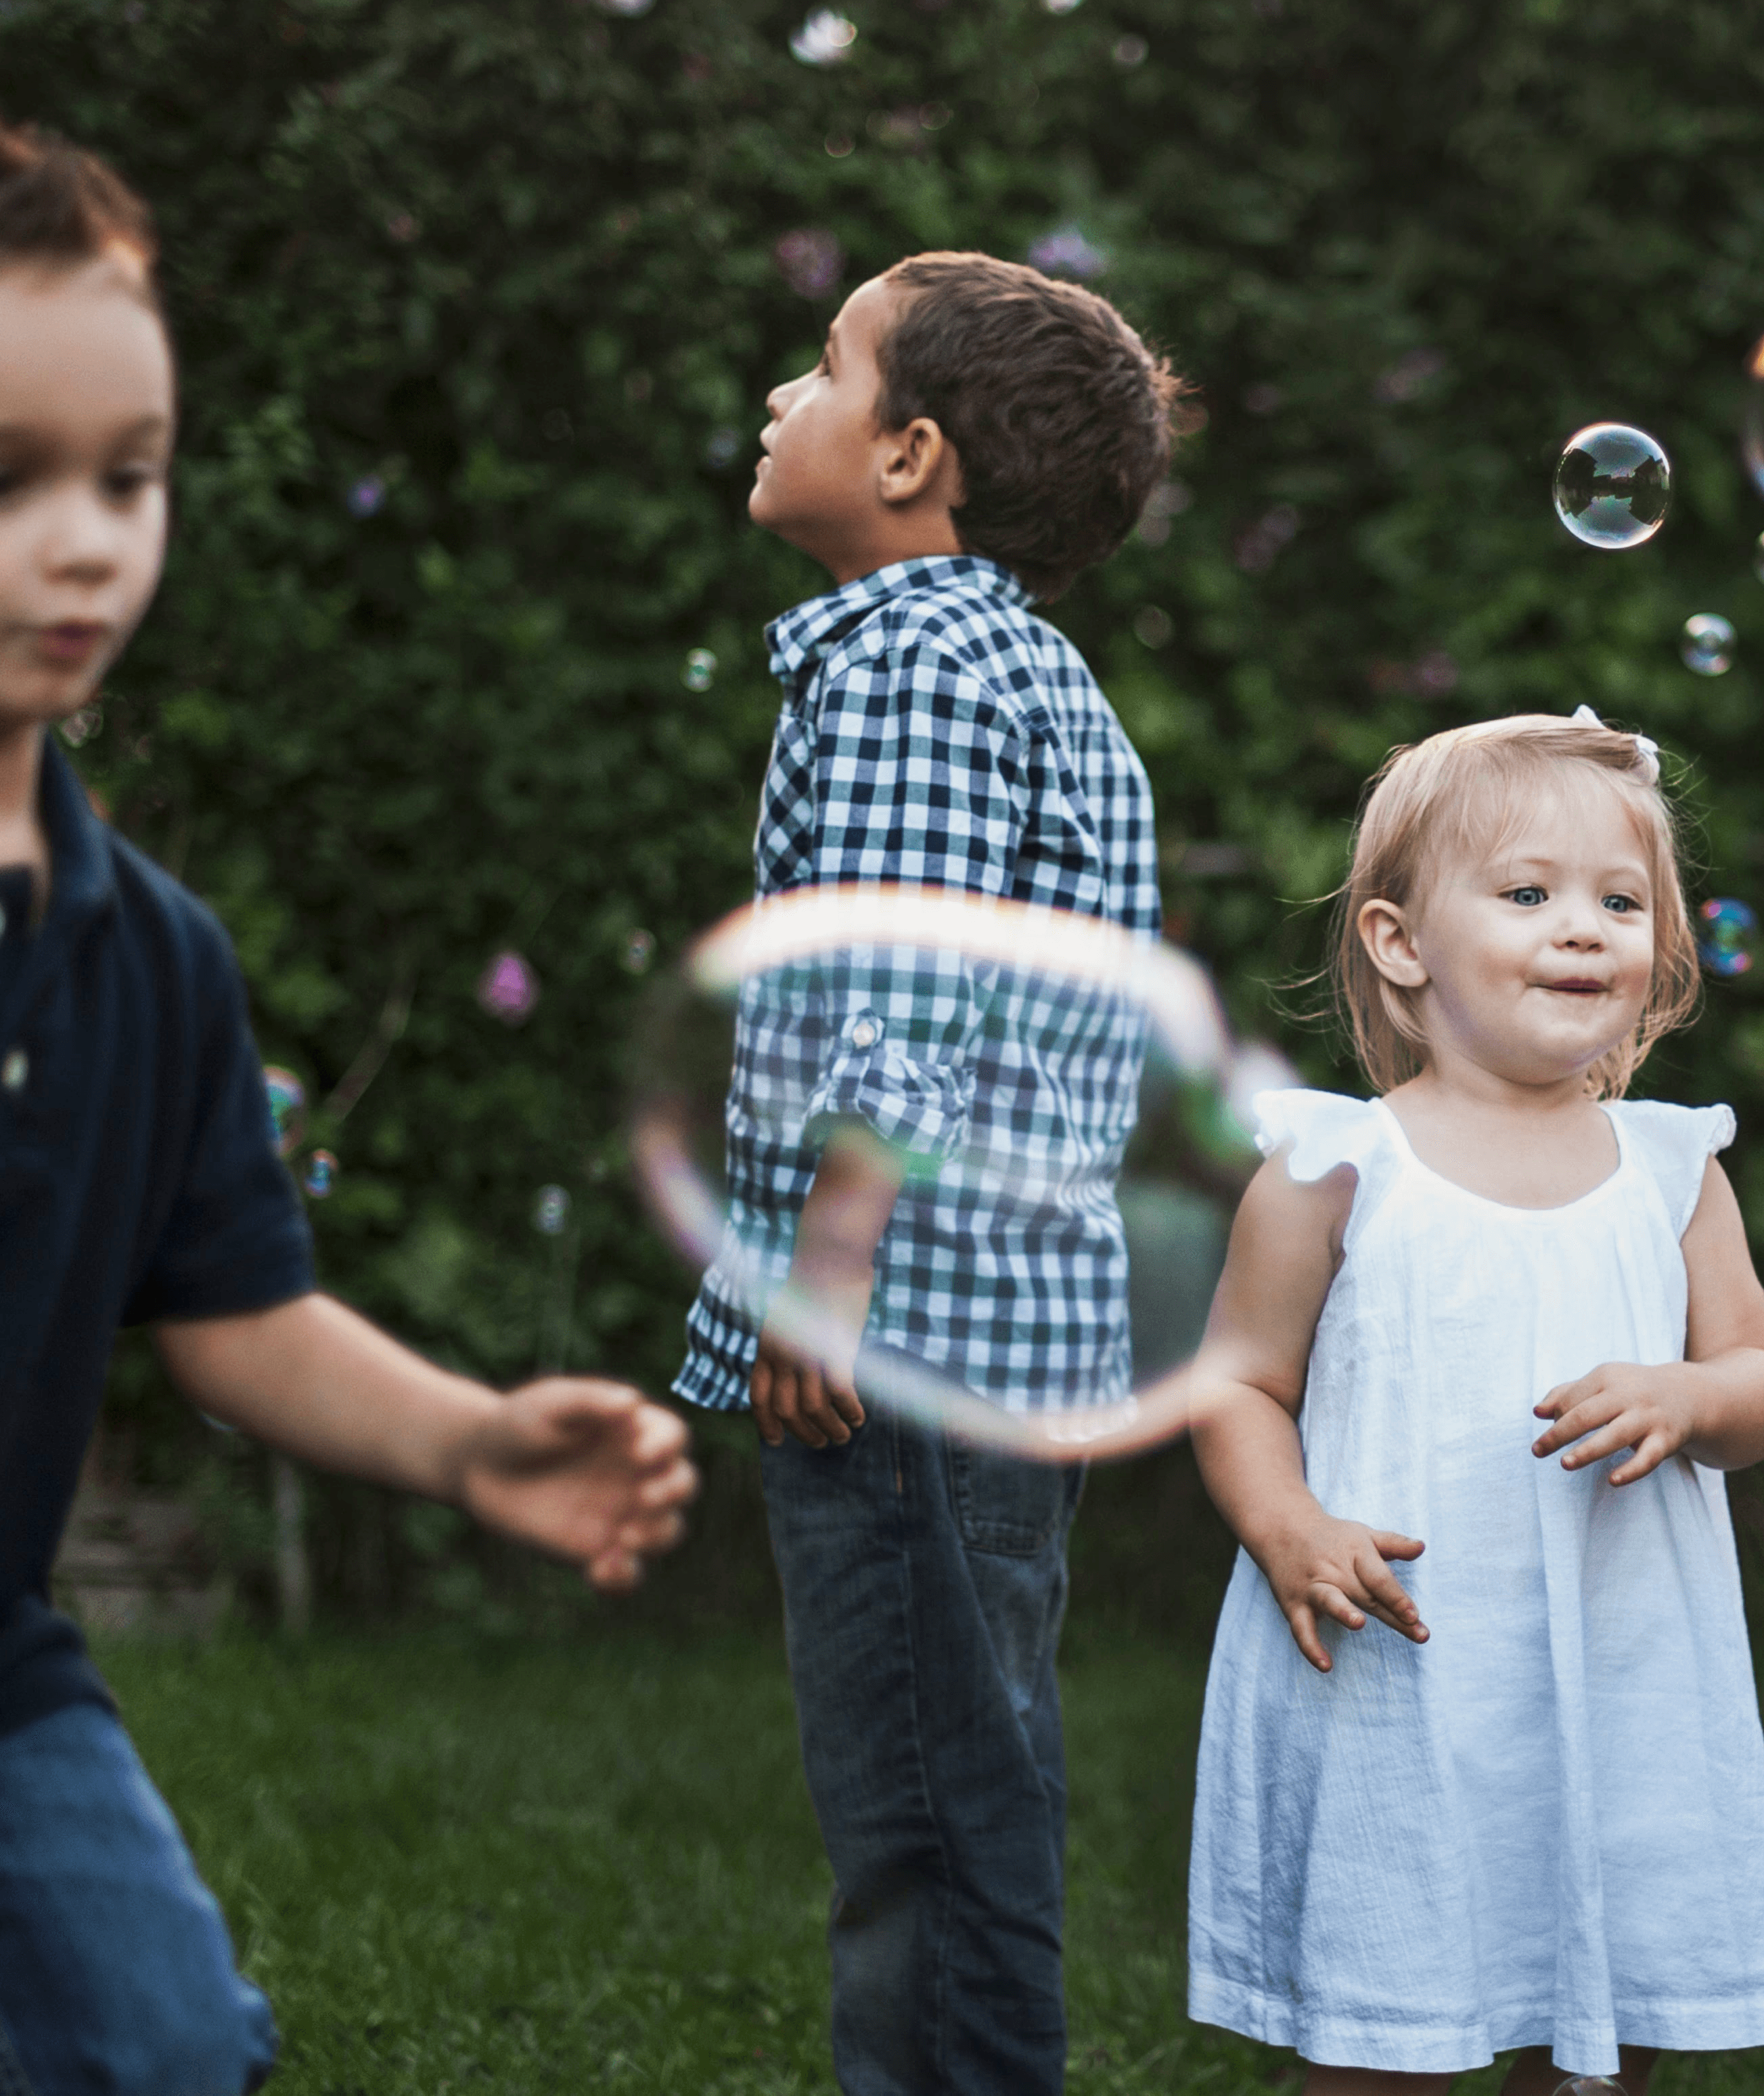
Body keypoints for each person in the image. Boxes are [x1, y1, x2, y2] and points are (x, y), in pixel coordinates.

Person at [0, 116, 697, 2093]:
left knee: (159, 2050)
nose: (86, 537)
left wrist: (468, 1441)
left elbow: (236, 1316)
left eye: (128, 476)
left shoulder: (151, 952)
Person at [673, 251, 1181, 2094]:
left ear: (910, 458)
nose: (775, 400)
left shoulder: (906, 662)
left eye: (819, 369)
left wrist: (829, 1263)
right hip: (994, 1342)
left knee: (927, 1826)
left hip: (908, 1343)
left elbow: (897, 986)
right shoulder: (1022, 669)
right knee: (971, 1783)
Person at [1181, 711, 1764, 2095]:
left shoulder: (1668, 1169)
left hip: (1619, 1660)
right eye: (1526, 895)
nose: (1580, 928)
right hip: (1402, 1665)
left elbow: (1760, 1384)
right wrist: (1287, 1524)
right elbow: (1237, 1380)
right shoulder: (1335, 1165)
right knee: (1382, 2021)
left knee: (1606, 2016)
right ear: (1399, 942)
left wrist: (1690, 1394)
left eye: (1618, 900)